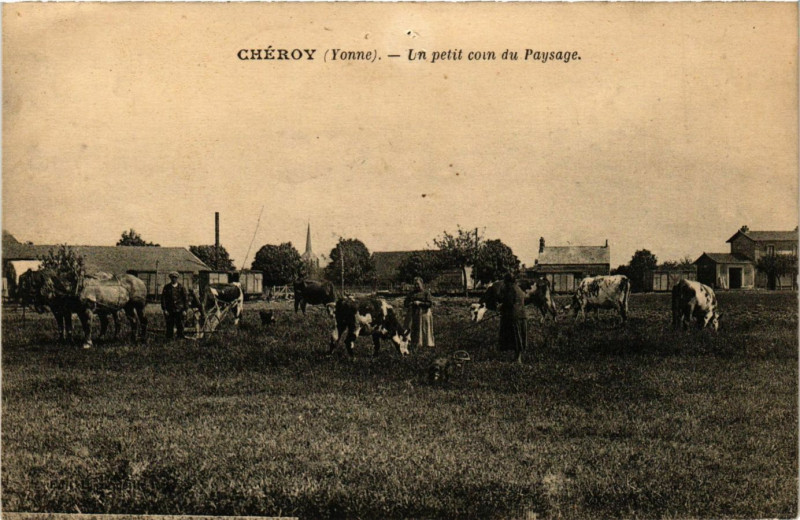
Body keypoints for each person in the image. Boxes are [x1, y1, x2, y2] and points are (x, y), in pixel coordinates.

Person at [498, 272, 527, 363]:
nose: (504, 283)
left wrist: (501, 308)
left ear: (508, 281)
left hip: (514, 317)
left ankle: (518, 360)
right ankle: (517, 357)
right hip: (522, 316)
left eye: (505, 281)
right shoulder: (519, 289)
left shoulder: (510, 289)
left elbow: (508, 303)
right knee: (520, 337)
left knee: (515, 337)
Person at [404, 276, 435, 349]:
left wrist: (420, 303)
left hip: (424, 313)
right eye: (415, 284)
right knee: (414, 328)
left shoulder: (426, 293)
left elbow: (429, 304)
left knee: (424, 329)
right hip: (414, 314)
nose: (416, 286)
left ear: (421, 284)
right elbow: (405, 303)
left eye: (418, 284)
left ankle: (426, 344)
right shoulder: (411, 293)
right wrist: (411, 303)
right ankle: (414, 343)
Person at [161, 271, 188, 339]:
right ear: (170, 278)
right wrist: (164, 309)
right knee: (169, 325)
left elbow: (185, 299)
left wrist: (185, 310)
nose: (174, 279)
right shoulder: (167, 287)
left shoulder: (181, 287)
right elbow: (163, 299)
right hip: (170, 310)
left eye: (175, 277)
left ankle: (180, 338)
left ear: (177, 278)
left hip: (180, 309)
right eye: (172, 277)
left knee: (180, 325)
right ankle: (169, 339)